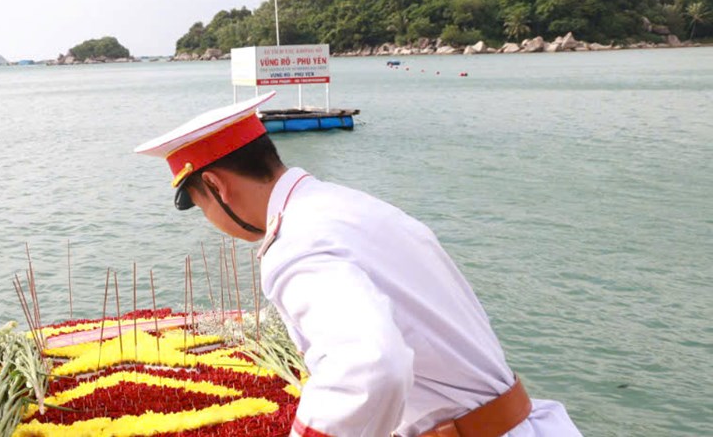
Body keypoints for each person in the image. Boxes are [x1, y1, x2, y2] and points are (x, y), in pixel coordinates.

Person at [135, 93, 581, 437]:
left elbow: (370, 363)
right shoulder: (351, 207)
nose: (212, 222)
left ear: (215, 185)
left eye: (199, 204)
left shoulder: (298, 244)